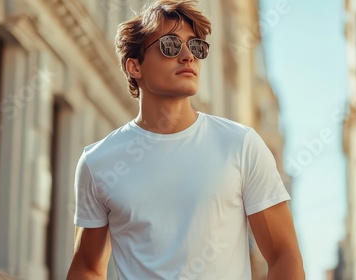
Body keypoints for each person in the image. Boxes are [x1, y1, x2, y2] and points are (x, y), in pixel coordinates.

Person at [67, 1, 305, 279]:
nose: (187, 56)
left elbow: (284, 255)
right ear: (134, 66)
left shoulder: (241, 145)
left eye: (196, 47)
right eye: (170, 45)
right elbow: (87, 267)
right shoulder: (98, 162)